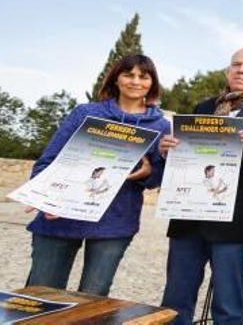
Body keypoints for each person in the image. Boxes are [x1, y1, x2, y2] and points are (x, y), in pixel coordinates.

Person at [24, 54, 171, 296]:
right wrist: (44, 198)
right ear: (116, 79)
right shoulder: (85, 113)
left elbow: (155, 178)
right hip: (60, 217)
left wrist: (145, 174)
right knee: (41, 296)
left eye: (143, 77)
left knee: (93, 300)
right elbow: (48, 160)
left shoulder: (160, 127)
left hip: (113, 224)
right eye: (128, 74)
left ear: (152, 83)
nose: (135, 81)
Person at [160, 48, 243, 325]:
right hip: (188, 218)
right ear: (228, 71)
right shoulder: (202, 108)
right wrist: (168, 150)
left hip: (233, 224)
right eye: (236, 65)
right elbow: (185, 157)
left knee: (228, 307)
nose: (241, 70)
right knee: (175, 302)